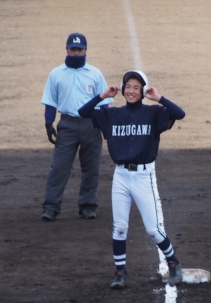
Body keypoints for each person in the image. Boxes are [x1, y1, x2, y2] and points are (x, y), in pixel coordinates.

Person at [78, 70, 185, 289]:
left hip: (144, 176)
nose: (131, 91)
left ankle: (173, 262)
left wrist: (159, 98)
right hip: (121, 176)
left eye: (137, 87)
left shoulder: (154, 113)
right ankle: (120, 273)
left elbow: (180, 114)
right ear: (122, 89)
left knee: (153, 229)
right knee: (119, 227)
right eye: (128, 86)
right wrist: (103, 95)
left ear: (143, 90)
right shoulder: (112, 114)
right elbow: (83, 112)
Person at [40, 33, 113, 221]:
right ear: (66, 49)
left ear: (86, 50)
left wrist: (106, 127)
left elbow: (104, 103)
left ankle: (88, 206)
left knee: (91, 168)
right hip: (67, 125)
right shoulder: (56, 74)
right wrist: (49, 122)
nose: (76, 53)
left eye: (79, 49)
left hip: (92, 125)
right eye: (73, 49)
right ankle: (51, 207)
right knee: (59, 168)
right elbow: (50, 101)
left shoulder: (95, 74)